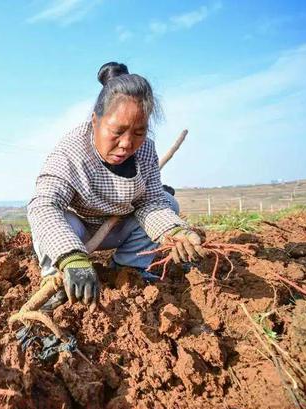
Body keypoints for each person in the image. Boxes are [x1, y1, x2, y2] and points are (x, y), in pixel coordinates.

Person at [27, 62, 205, 310]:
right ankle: (57, 279)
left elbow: (151, 202)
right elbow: (43, 205)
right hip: (79, 231)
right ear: (95, 121)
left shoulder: (145, 151)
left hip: (119, 227)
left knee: (169, 204)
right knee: (58, 219)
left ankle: (129, 270)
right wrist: (70, 255)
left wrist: (173, 231)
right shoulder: (71, 152)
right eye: (117, 131)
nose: (126, 144)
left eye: (139, 132)